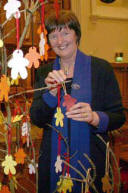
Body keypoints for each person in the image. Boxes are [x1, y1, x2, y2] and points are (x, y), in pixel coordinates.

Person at [30, 10, 126, 193]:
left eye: (65, 33)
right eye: (54, 35)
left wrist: (95, 118)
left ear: (77, 35)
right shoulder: (44, 73)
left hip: (92, 161)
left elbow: (118, 116)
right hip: (53, 163)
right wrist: (50, 93)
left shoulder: (101, 69)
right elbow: (36, 118)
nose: (60, 41)